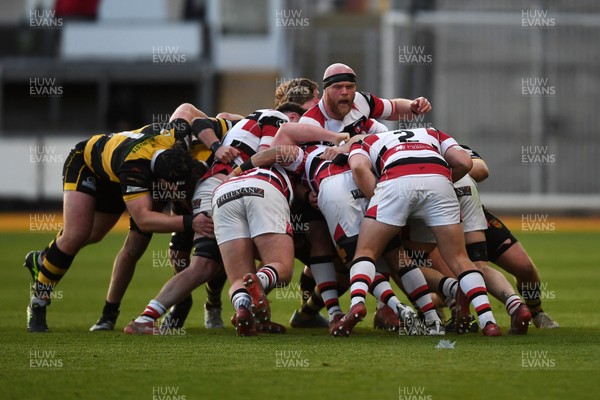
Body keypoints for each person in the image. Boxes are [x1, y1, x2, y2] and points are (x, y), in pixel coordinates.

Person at [23, 118, 209, 332]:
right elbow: (144, 220)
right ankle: (38, 303)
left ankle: (44, 260)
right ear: (162, 179)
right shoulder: (135, 170)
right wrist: (190, 222)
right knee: (76, 234)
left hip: (116, 167)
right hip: (87, 164)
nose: (178, 196)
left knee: (96, 236)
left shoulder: (178, 137)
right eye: (177, 189)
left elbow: (188, 113)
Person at [332, 127, 502, 337]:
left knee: (366, 251)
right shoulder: (432, 132)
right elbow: (465, 163)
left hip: (396, 181)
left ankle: (356, 303)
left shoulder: (365, 142)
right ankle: (489, 321)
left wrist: (382, 203)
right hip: (439, 180)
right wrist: (443, 181)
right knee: (460, 259)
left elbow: (358, 168)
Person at [89, 103, 237, 331]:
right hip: (173, 194)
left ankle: (212, 302)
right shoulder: (159, 155)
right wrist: (185, 216)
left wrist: (217, 144)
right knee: (154, 250)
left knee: (213, 255)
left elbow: (226, 117)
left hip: (207, 195)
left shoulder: (224, 132)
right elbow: (187, 110)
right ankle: (114, 312)